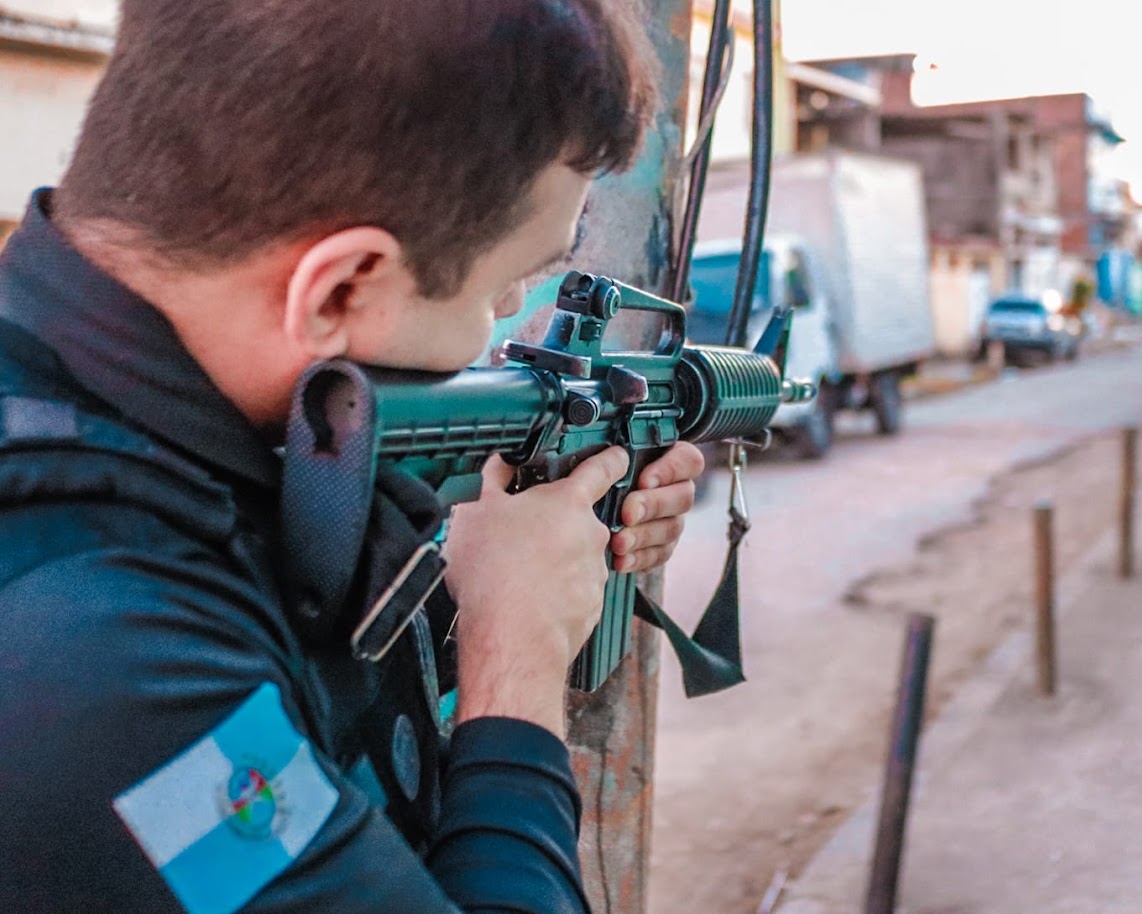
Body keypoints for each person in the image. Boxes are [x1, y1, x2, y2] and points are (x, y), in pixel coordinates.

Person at [0, 1, 704, 912]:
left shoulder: (153, 423)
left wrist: (505, 568)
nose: (502, 328)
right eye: (503, 288)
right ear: (339, 288)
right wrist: (518, 651)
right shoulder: (98, 655)